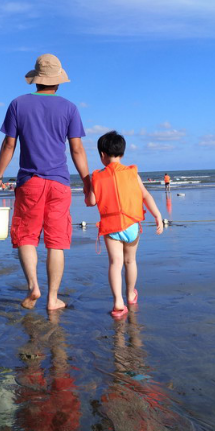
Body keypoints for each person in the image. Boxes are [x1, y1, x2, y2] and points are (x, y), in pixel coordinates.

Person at [0, 53, 90, 311]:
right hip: (59, 183)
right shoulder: (69, 108)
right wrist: (87, 180)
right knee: (56, 242)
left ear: (36, 80)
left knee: (26, 237)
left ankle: (33, 286)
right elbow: (77, 149)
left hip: (30, 181)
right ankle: (52, 298)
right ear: (58, 81)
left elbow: (9, 144)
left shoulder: (18, 104)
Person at [87, 131, 163, 318]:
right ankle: (130, 294)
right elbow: (145, 195)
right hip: (131, 224)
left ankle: (118, 303)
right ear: (122, 153)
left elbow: (91, 202)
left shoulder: (97, 177)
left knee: (115, 263)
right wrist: (158, 215)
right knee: (130, 261)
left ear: (102, 155)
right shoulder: (132, 173)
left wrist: (87, 187)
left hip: (111, 226)